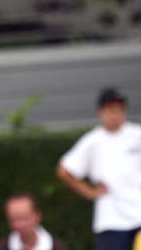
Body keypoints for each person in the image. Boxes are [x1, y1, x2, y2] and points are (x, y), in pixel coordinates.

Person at [57, 87, 141, 250]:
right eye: (111, 110)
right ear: (101, 112)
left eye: (119, 110)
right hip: (110, 220)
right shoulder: (93, 141)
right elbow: (64, 170)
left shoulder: (137, 134)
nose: (116, 115)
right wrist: (89, 192)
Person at [0, 193, 67, 250]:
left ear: (38, 216)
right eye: (13, 219)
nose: (19, 224)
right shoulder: (0, 247)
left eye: (24, 218)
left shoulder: (56, 247)